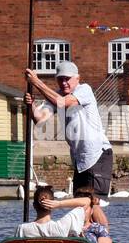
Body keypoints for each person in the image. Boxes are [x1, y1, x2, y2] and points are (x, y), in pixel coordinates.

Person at [25, 60, 113, 197]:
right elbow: (39, 119)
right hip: (80, 160)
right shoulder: (55, 96)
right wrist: (30, 106)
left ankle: (101, 220)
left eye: (68, 79)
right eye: (60, 79)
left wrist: (36, 82)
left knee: (92, 202)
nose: (64, 82)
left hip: (97, 155)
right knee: (80, 204)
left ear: (77, 78)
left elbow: (65, 102)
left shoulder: (84, 90)